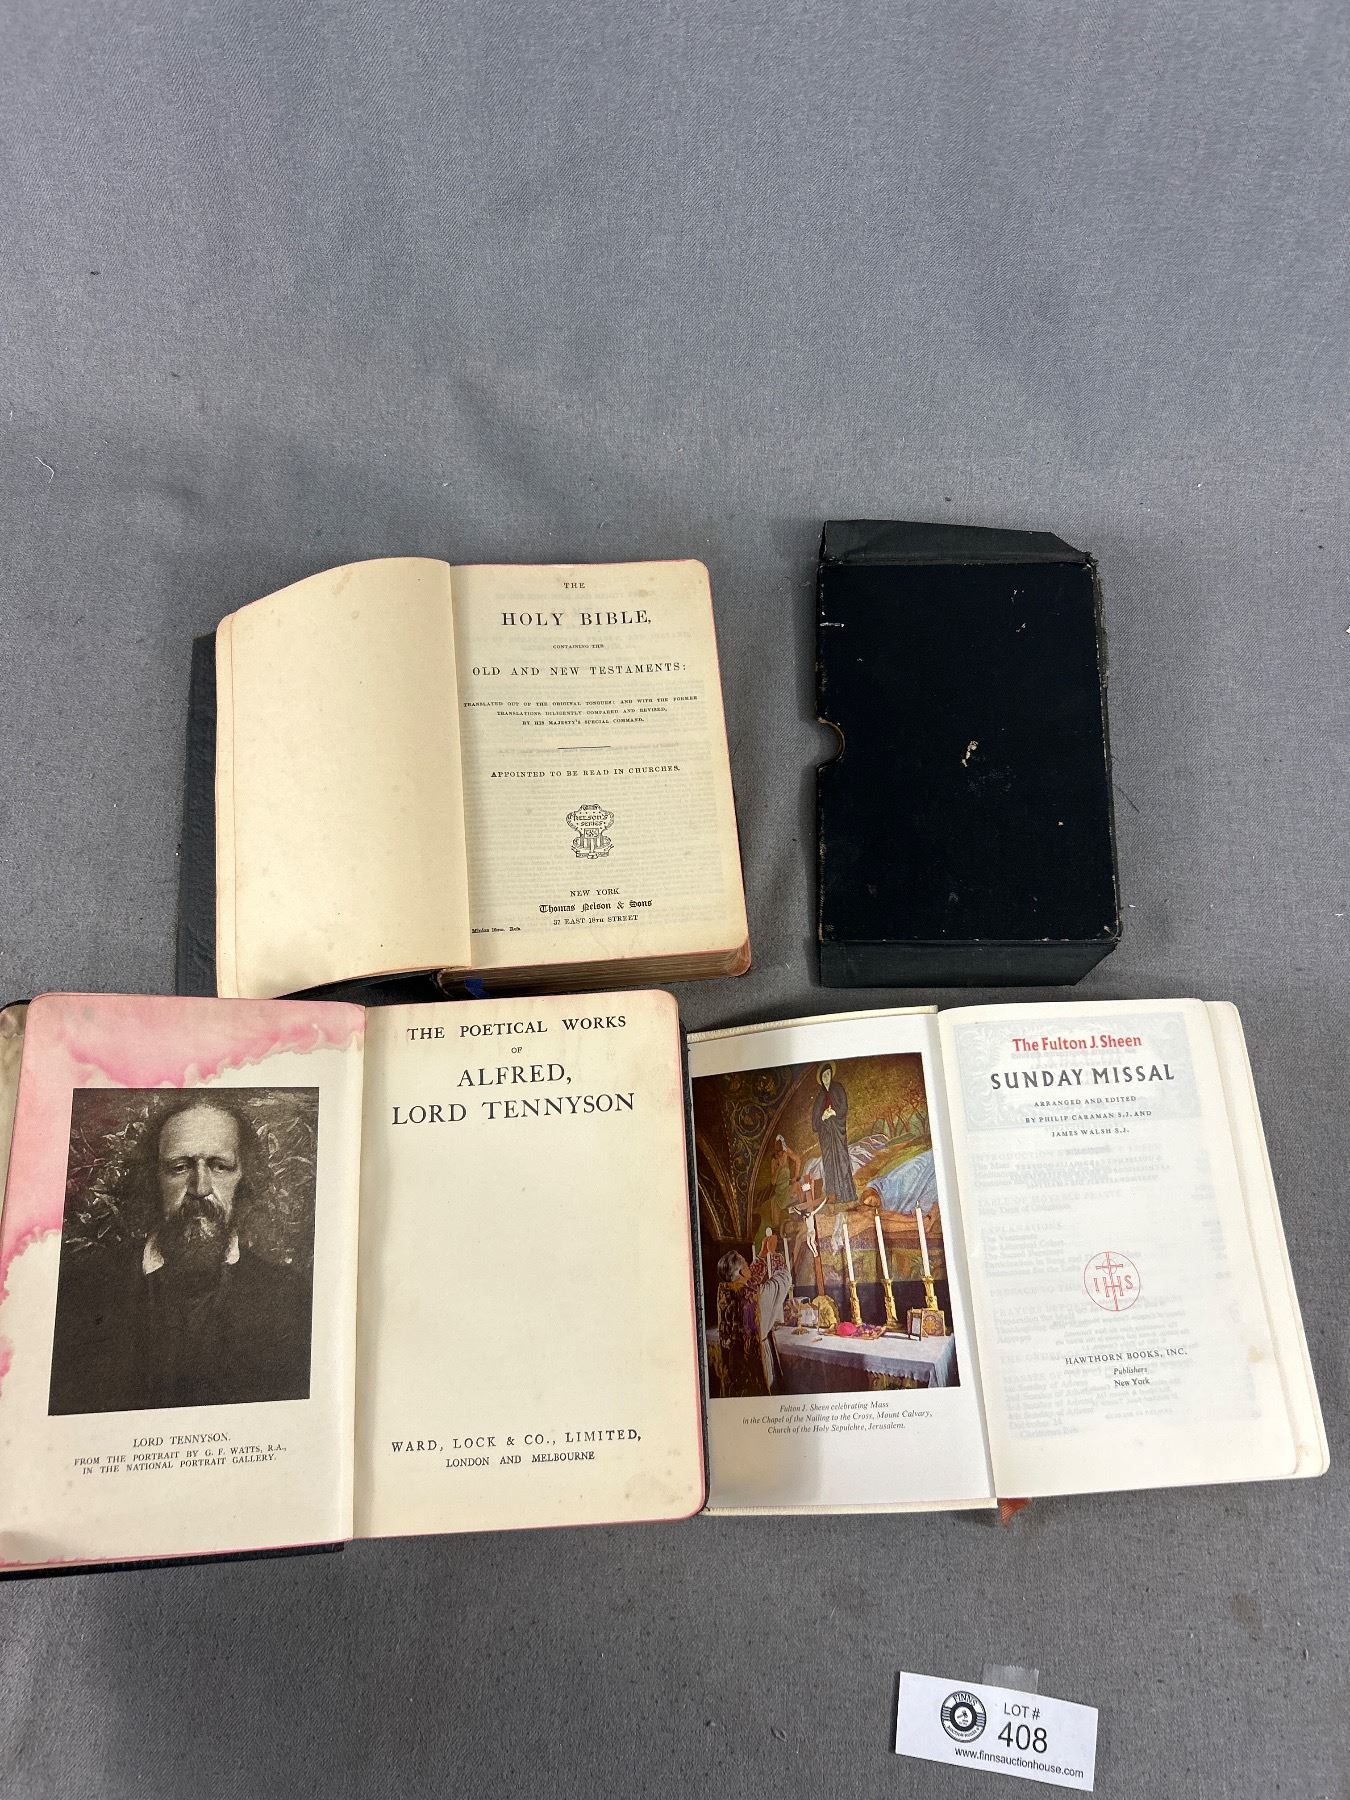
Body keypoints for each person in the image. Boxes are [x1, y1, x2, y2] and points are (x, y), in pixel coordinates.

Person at [48, 1096, 313, 1414]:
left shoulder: (290, 1297)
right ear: (154, 1179)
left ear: (244, 1178)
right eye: (179, 1167)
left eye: (219, 1166)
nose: (200, 1188)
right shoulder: (80, 1291)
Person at [811, 1063, 857, 1208]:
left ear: (831, 1074)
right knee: (829, 1163)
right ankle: (832, 1195)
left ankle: (847, 1194)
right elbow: (815, 1123)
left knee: (842, 1160)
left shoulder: (838, 1088)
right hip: (826, 1136)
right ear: (821, 1078)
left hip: (837, 1132)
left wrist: (834, 1112)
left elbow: (844, 1107)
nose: (826, 1077)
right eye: (823, 1075)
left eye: (828, 1074)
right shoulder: (819, 1097)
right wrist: (823, 1116)